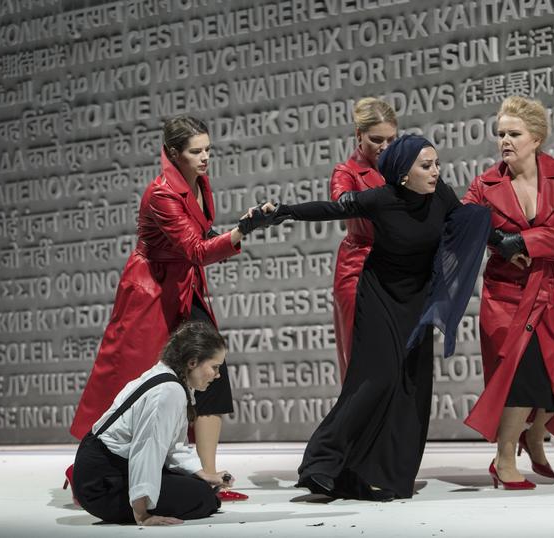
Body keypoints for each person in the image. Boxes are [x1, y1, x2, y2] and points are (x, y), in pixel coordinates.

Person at [243, 135, 490, 501]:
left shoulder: (442, 196)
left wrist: (510, 242)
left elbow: (469, 225)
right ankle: (319, 464)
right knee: (375, 379)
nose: (436, 171)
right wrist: (283, 211)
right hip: (379, 297)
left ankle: (378, 475)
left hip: (416, 302)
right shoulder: (382, 198)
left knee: (409, 387)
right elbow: (332, 210)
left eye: (437, 163)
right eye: (427, 165)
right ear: (404, 174)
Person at [67, 115, 260, 502]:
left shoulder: (199, 182)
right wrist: (242, 231)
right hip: (151, 292)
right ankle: (89, 470)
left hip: (185, 289)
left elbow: (200, 241)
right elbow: (196, 250)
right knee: (138, 383)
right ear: (173, 153)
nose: (205, 158)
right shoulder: (161, 193)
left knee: (212, 373)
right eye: (196, 151)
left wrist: (236, 232)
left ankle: (208, 477)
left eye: (208, 149)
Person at [461, 96, 554, 489]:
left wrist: (520, 242)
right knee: (521, 373)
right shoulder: (484, 184)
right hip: (506, 295)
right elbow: (463, 224)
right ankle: (504, 459)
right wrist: (496, 238)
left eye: (513, 133)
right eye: (500, 133)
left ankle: (535, 435)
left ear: (536, 138)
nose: (505, 140)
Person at [72, 321, 233, 525]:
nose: (218, 375)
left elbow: (173, 447)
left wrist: (204, 475)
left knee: (202, 487)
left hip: (102, 468)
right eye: (215, 367)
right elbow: (147, 449)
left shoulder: (168, 377)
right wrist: (143, 515)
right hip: (100, 484)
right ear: (192, 362)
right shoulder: (168, 391)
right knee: (204, 499)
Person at [330, 97, 397, 381]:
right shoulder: (346, 172)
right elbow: (340, 198)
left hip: (397, 269)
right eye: (377, 139)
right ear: (359, 135)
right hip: (359, 269)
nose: (385, 147)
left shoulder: (404, 167)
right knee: (363, 362)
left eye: (392, 139)